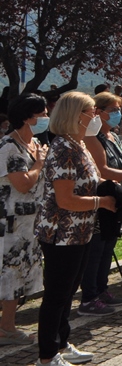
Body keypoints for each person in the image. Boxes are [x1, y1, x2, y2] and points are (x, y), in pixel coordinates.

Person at [36, 91, 117, 366]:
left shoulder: (78, 144)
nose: (96, 117)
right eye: (91, 111)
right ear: (75, 115)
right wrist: (102, 201)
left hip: (80, 231)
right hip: (61, 233)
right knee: (57, 295)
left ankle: (61, 341)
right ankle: (47, 356)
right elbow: (65, 199)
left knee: (68, 292)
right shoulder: (63, 149)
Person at [78, 92, 122, 314]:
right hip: (100, 201)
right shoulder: (91, 138)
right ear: (99, 112)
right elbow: (102, 170)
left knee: (107, 247)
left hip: (116, 200)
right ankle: (89, 295)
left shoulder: (113, 137)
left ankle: (102, 289)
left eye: (119, 110)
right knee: (96, 249)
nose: (118, 114)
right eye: (113, 110)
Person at [0, 93, 47, 346]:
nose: (46, 118)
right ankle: (6, 328)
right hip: (11, 224)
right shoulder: (9, 146)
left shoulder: (33, 143)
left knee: (20, 276)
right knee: (10, 276)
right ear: (28, 117)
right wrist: (39, 164)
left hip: (30, 224)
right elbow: (23, 183)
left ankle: (7, 325)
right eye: (42, 114)